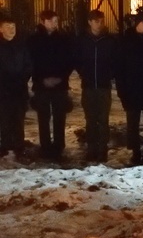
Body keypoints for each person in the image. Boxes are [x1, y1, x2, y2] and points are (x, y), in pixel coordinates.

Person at [28, 10, 74, 161]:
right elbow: (31, 63)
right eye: (52, 21)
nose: (55, 24)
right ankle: (45, 146)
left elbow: (68, 60)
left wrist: (61, 77)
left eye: (56, 21)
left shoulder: (63, 39)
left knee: (60, 116)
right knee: (43, 117)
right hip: (42, 85)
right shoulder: (34, 40)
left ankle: (59, 146)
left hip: (60, 85)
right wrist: (41, 80)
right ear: (43, 21)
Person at [116, 11, 143, 165]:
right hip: (132, 88)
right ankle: (135, 151)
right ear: (136, 24)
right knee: (133, 123)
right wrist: (122, 91)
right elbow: (120, 67)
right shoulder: (126, 41)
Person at [75, 9, 117, 162]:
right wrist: (83, 72)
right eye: (96, 21)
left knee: (103, 119)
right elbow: (77, 58)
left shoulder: (109, 40)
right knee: (91, 119)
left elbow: (115, 60)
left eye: (101, 21)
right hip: (88, 85)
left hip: (104, 85)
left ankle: (102, 149)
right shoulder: (83, 40)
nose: (99, 24)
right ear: (89, 22)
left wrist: (110, 73)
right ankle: (91, 149)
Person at [0, 16, 31, 159]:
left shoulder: (21, 46)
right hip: (3, 90)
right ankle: (5, 145)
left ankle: (19, 145)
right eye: (8, 26)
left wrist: (22, 79)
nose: (12, 30)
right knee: (4, 118)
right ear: (1, 29)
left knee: (19, 119)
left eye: (13, 27)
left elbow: (28, 65)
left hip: (19, 89)